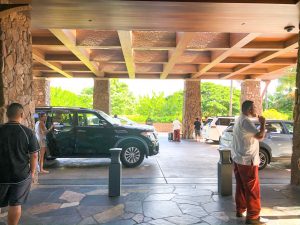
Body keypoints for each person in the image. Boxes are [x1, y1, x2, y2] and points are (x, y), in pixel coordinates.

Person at [0, 103, 40, 225]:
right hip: (20, 176)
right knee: (15, 204)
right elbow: (34, 155)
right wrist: (32, 173)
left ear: (7, 115)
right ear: (22, 115)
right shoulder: (28, 133)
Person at [232, 100, 268, 225]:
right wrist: (263, 124)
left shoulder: (239, 119)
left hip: (238, 158)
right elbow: (259, 136)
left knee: (241, 186)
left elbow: (250, 134)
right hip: (248, 160)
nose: (256, 110)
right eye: (254, 108)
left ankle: (240, 210)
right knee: (252, 189)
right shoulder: (246, 121)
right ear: (249, 110)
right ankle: (253, 217)